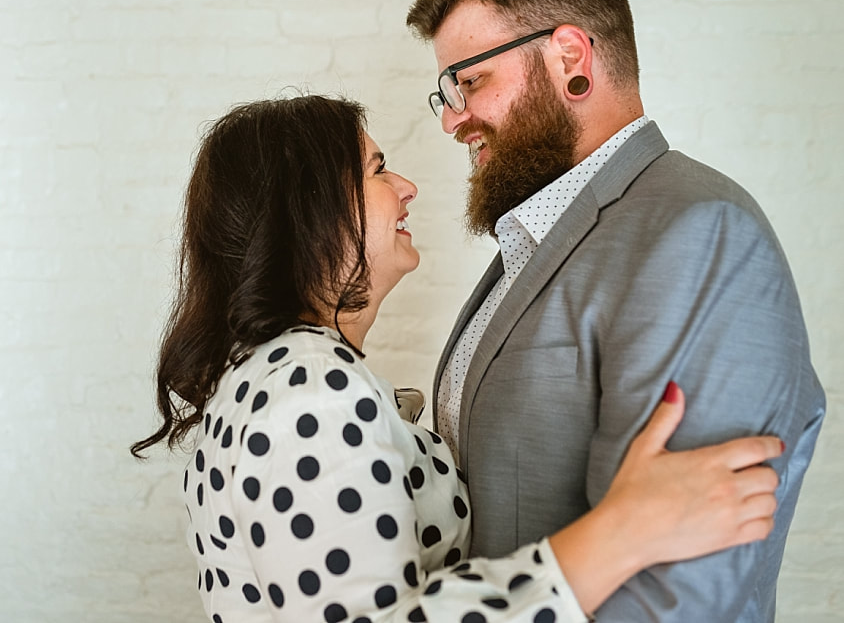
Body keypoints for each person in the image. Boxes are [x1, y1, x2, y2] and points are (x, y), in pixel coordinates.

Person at [131, 94, 784, 623]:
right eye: (377, 169)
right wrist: (623, 532)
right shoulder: (310, 391)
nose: (407, 186)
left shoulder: (270, 379)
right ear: (314, 212)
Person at [405, 0, 825, 622]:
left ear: (571, 59)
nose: (454, 120)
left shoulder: (700, 234)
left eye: (470, 81)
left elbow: (680, 592)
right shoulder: (531, 239)